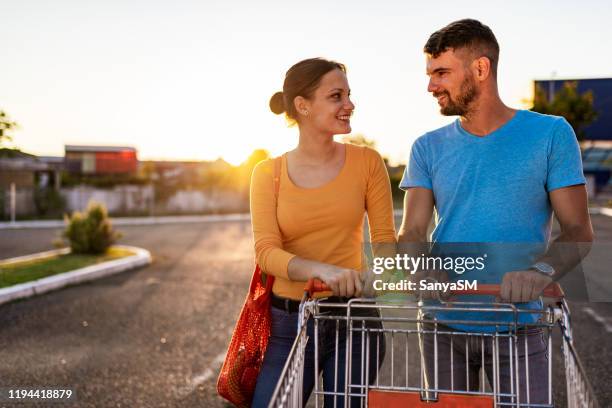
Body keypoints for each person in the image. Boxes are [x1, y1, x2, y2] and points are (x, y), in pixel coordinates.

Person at [398, 19, 594, 405]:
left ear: (481, 69)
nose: (431, 86)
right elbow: (413, 231)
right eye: (430, 74)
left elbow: (578, 231)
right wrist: (420, 265)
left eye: (441, 73)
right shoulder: (427, 147)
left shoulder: (551, 134)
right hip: (442, 324)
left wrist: (539, 273)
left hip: (518, 324)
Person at [250, 58, 396, 407]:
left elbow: (385, 242)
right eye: (336, 96)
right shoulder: (267, 173)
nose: (349, 104)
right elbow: (266, 253)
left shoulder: (368, 163)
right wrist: (323, 271)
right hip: (291, 322)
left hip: (354, 321)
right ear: (302, 106)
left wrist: (377, 273)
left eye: (348, 94)